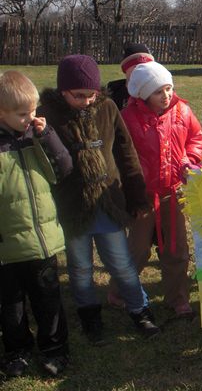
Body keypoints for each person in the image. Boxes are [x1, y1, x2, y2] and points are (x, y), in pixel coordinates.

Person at [38, 54, 160, 345]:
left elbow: (125, 152)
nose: (87, 101)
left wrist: (137, 196)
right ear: (62, 90)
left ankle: (139, 309)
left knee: (120, 262)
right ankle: (89, 314)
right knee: (80, 266)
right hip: (72, 205)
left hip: (107, 201)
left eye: (91, 94)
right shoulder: (48, 115)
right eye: (78, 96)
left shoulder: (107, 108)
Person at [112, 61, 202, 320]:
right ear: (142, 93)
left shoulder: (182, 111)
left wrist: (190, 158)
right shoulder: (128, 118)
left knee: (176, 250)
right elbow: (120, 151)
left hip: (173, 192)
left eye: (168, 89)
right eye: (157, 91)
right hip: (143, 196)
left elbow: (195, 139)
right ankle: (120, 291)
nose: (165, 96)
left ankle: (177, 299)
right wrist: (134, 176)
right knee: (138, 249)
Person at [0, 71, 73, 378]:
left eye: (33, 111)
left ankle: (55, 350)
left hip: (41, 238)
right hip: (7, 244)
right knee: (11, 305)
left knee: (47, 297)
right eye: (22, 114)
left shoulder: (38, 135)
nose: (31, 118)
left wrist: (47, 137)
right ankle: (17, 351)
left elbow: (63, 168)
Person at [106, 43, 155, 110]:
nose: (141, 71)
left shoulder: (156, 92)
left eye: (145, 67)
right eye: (136, 67)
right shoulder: (114, 92)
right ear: (125, 69)